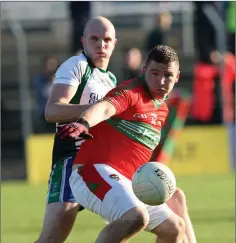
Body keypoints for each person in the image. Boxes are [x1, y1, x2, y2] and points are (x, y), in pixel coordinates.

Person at [57, 45, 197, 243]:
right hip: (91, 172)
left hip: (128, 181)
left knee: (174, 228)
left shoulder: (162, 109)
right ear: (144, 70)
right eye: (155, 73)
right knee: (136, 216)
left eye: (168, 75)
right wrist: (83, 122)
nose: (161, 81)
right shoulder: (131, 91)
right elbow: (104, 108)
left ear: (177, 77)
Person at [35, 16, 117, 243]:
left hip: (100, 163)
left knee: (129, 219)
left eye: (107, 39)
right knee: (51, 239)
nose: (101, 44)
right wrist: (99, 109)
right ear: (83, 41)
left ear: (114, 43)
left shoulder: (110, 79)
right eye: (94, 39)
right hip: (72, 160)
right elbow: (52, 110)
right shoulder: (77, 65)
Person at [33, 56, 59, 133]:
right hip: (46, 114)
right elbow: (44, 93)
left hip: (60, 113)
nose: (52, 68)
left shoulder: (62, 78)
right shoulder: (40, 79)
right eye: (49, 65)